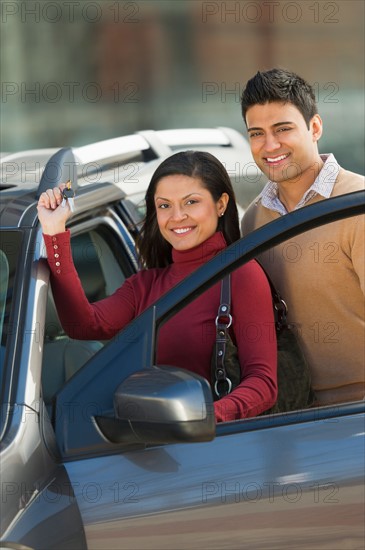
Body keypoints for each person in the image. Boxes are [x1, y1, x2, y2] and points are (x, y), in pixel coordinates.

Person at [37, 150, 277, 423]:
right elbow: (82, 325)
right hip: (149, 450)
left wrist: (204, 418)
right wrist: (55, 231)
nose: (177, 216)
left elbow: (263, 384)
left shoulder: (241, 274)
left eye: (191, 202)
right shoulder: (145, 285)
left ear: (221, 204)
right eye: (164, 206)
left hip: (213, 446)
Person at [240, 68, 365, 406]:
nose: (270, 145)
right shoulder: (253, 220)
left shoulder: (357, 205)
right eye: (257, 133)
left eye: (283, 129)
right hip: (290, 414)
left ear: (315, 127)